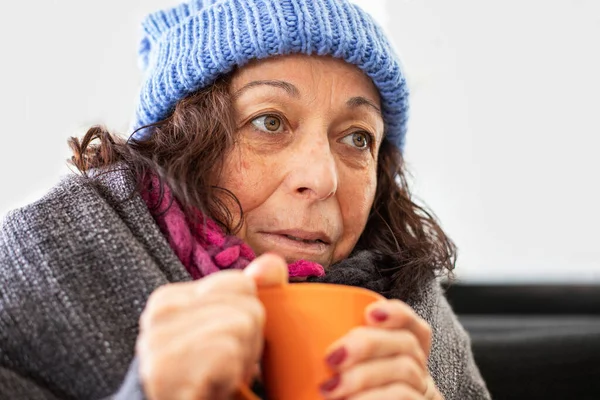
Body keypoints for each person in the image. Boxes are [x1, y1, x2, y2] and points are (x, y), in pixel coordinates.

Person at [0, 0, 491, 399]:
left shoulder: (411, 305)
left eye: (357, 138)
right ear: (181, 142)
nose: (322, 179)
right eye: (269, 122)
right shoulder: (35, 262)